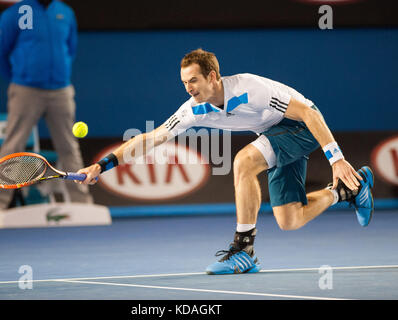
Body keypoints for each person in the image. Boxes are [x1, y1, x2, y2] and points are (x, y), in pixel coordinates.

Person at [76, 49, 374, 275]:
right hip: (274, 133)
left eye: (193, 80)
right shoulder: (193, 109)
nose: (189, 88)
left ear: (213, 76)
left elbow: (309, 114)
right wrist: (102, 165)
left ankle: (244, 249)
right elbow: (151, 138)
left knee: (244, 161)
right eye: (184, 82)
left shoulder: (250, 89)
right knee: (290, 219)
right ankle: (350, 190)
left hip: (303, 125)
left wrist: (336, 159)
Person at [0, 0, 93, 222]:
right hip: (26, 90)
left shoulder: (65, 12)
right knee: (13, 146)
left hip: (61, 90)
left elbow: (70, 49)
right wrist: (20, 79)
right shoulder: (14, 13)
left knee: (69, 147)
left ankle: (82, 205)